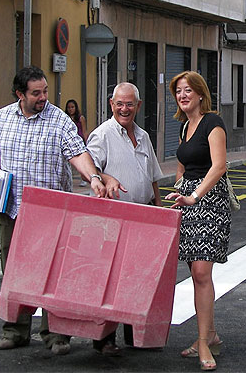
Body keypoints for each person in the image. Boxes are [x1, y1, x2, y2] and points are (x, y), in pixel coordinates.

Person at [0, 66, 120, 355]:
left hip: (53, 214)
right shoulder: (1, 119)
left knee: (55, 273)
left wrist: (93, 177)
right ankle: (15, 331)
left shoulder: (59, 121)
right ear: (20, 94)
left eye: (45, 91)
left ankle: (56, 335)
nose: (43, 96)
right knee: (13, 272)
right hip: (13, 209)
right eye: (36, 93)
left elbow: (78, 154)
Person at [86, 82, 164, 355]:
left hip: (143, 216)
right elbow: (91, 169)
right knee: (110, 280)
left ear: (138, 106)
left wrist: (158, 206)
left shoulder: (142, 135)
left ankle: (134, 335)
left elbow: (153, 175)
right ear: (111, 105)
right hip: (113, 218)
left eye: (129, 104)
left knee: (138, 278)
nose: (124, 109)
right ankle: (104, 339)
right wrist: (107, 178)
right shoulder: (102, 135)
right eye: (119, 103)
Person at [164, 71, 229, 372]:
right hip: (187, 202)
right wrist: (178, 193)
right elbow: (181, 168)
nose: (183, 95)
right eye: (178, 91)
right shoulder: (183, 127)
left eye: (188, 90)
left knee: (202, 271)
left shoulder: (212, 123)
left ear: (201, 94)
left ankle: (202, 342)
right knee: (196, 272)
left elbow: (219, 166)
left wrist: (195, 195)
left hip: (211, 202)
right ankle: (210, 334)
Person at [65, 99, 88, 186]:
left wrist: (86, 142)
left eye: (72, 107)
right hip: (68, 142)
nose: (71, 109)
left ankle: (84, 178)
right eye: (69, 107)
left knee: (81, 162)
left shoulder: (80, 118)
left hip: (79, 141)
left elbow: (84, 130)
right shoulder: (66, 118)